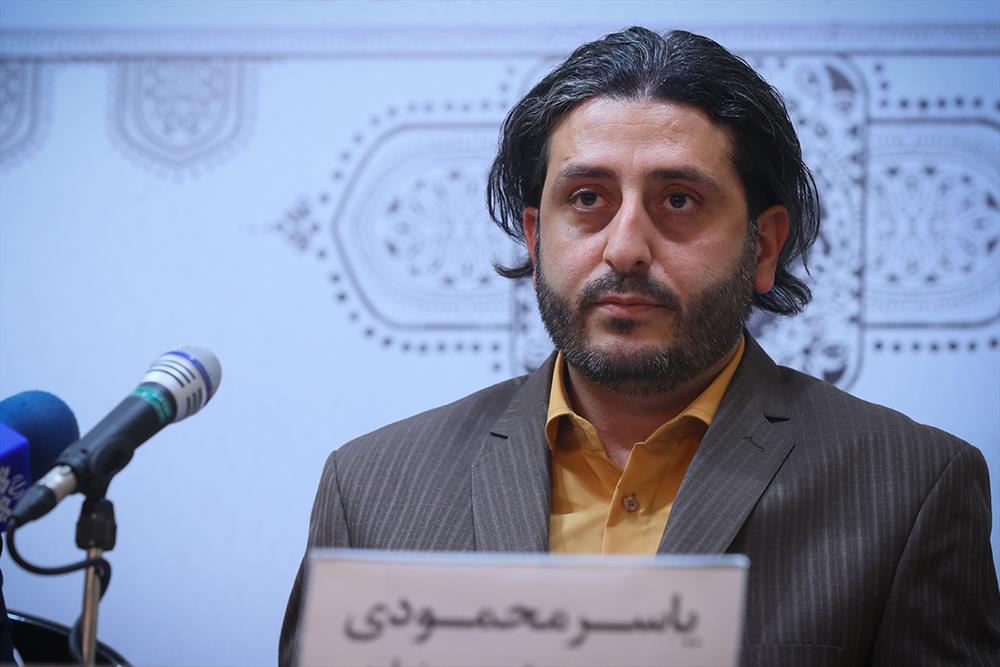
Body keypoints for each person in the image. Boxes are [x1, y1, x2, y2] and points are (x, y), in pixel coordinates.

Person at [280, 27, 1000, 665]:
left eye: (678, 200)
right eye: (587, 199)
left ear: (764, 245)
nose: (625, 248)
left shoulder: (910, 490)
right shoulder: (371, 489)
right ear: (535, 238)